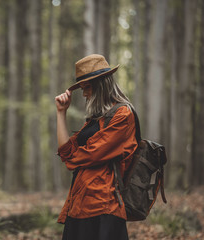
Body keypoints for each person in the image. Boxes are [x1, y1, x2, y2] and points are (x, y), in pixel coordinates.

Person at [55, 54, 138, 240]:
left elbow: (89, 155)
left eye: (87, 88)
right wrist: (61, 113)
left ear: (102, 85)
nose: (84, 94)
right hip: (78, 204)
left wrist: (71, 157)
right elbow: (66, 151)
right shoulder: (95, 120)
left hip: (103, 205)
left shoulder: (123, 115)